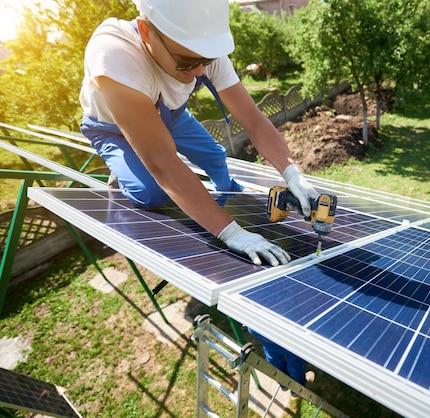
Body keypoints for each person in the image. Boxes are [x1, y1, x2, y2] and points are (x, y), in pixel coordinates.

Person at [79, 0, 318, 266]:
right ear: (146, 32)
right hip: (112, 128)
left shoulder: (201, 47)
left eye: (206, 60)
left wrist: (292, 173)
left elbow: (253, 120)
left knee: (215, 156)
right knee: (152, 192)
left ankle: (230, 194)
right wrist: (231, 232)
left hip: (172, 113)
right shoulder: (114, 56)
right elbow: (163, 162)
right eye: (187, 63)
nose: (200, 72)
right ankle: (127, 168)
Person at [247, 328, 314, 395]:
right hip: (277, 328)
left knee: (271, 350)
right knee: (294, 353)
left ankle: (284, 384)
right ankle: (297, 389)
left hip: (255, 328)